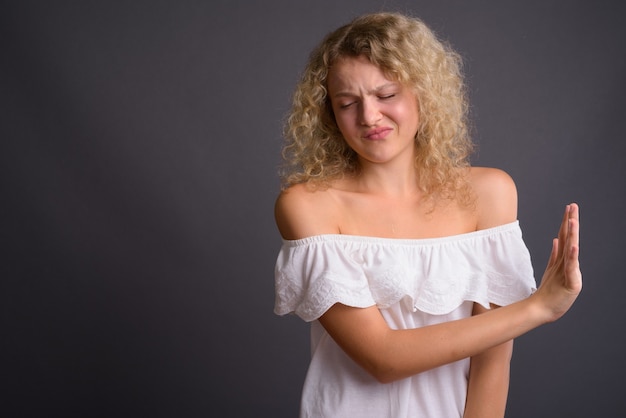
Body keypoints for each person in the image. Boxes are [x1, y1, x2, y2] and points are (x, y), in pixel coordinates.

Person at [273, 11, 581, 418]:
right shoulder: (308, 206)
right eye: (347, 103)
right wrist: (539, 307)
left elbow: (492, 363)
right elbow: (383, 359)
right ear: (330, 114)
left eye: (386, 95)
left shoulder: (489, 194)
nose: (368, 117)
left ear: (425, 93)